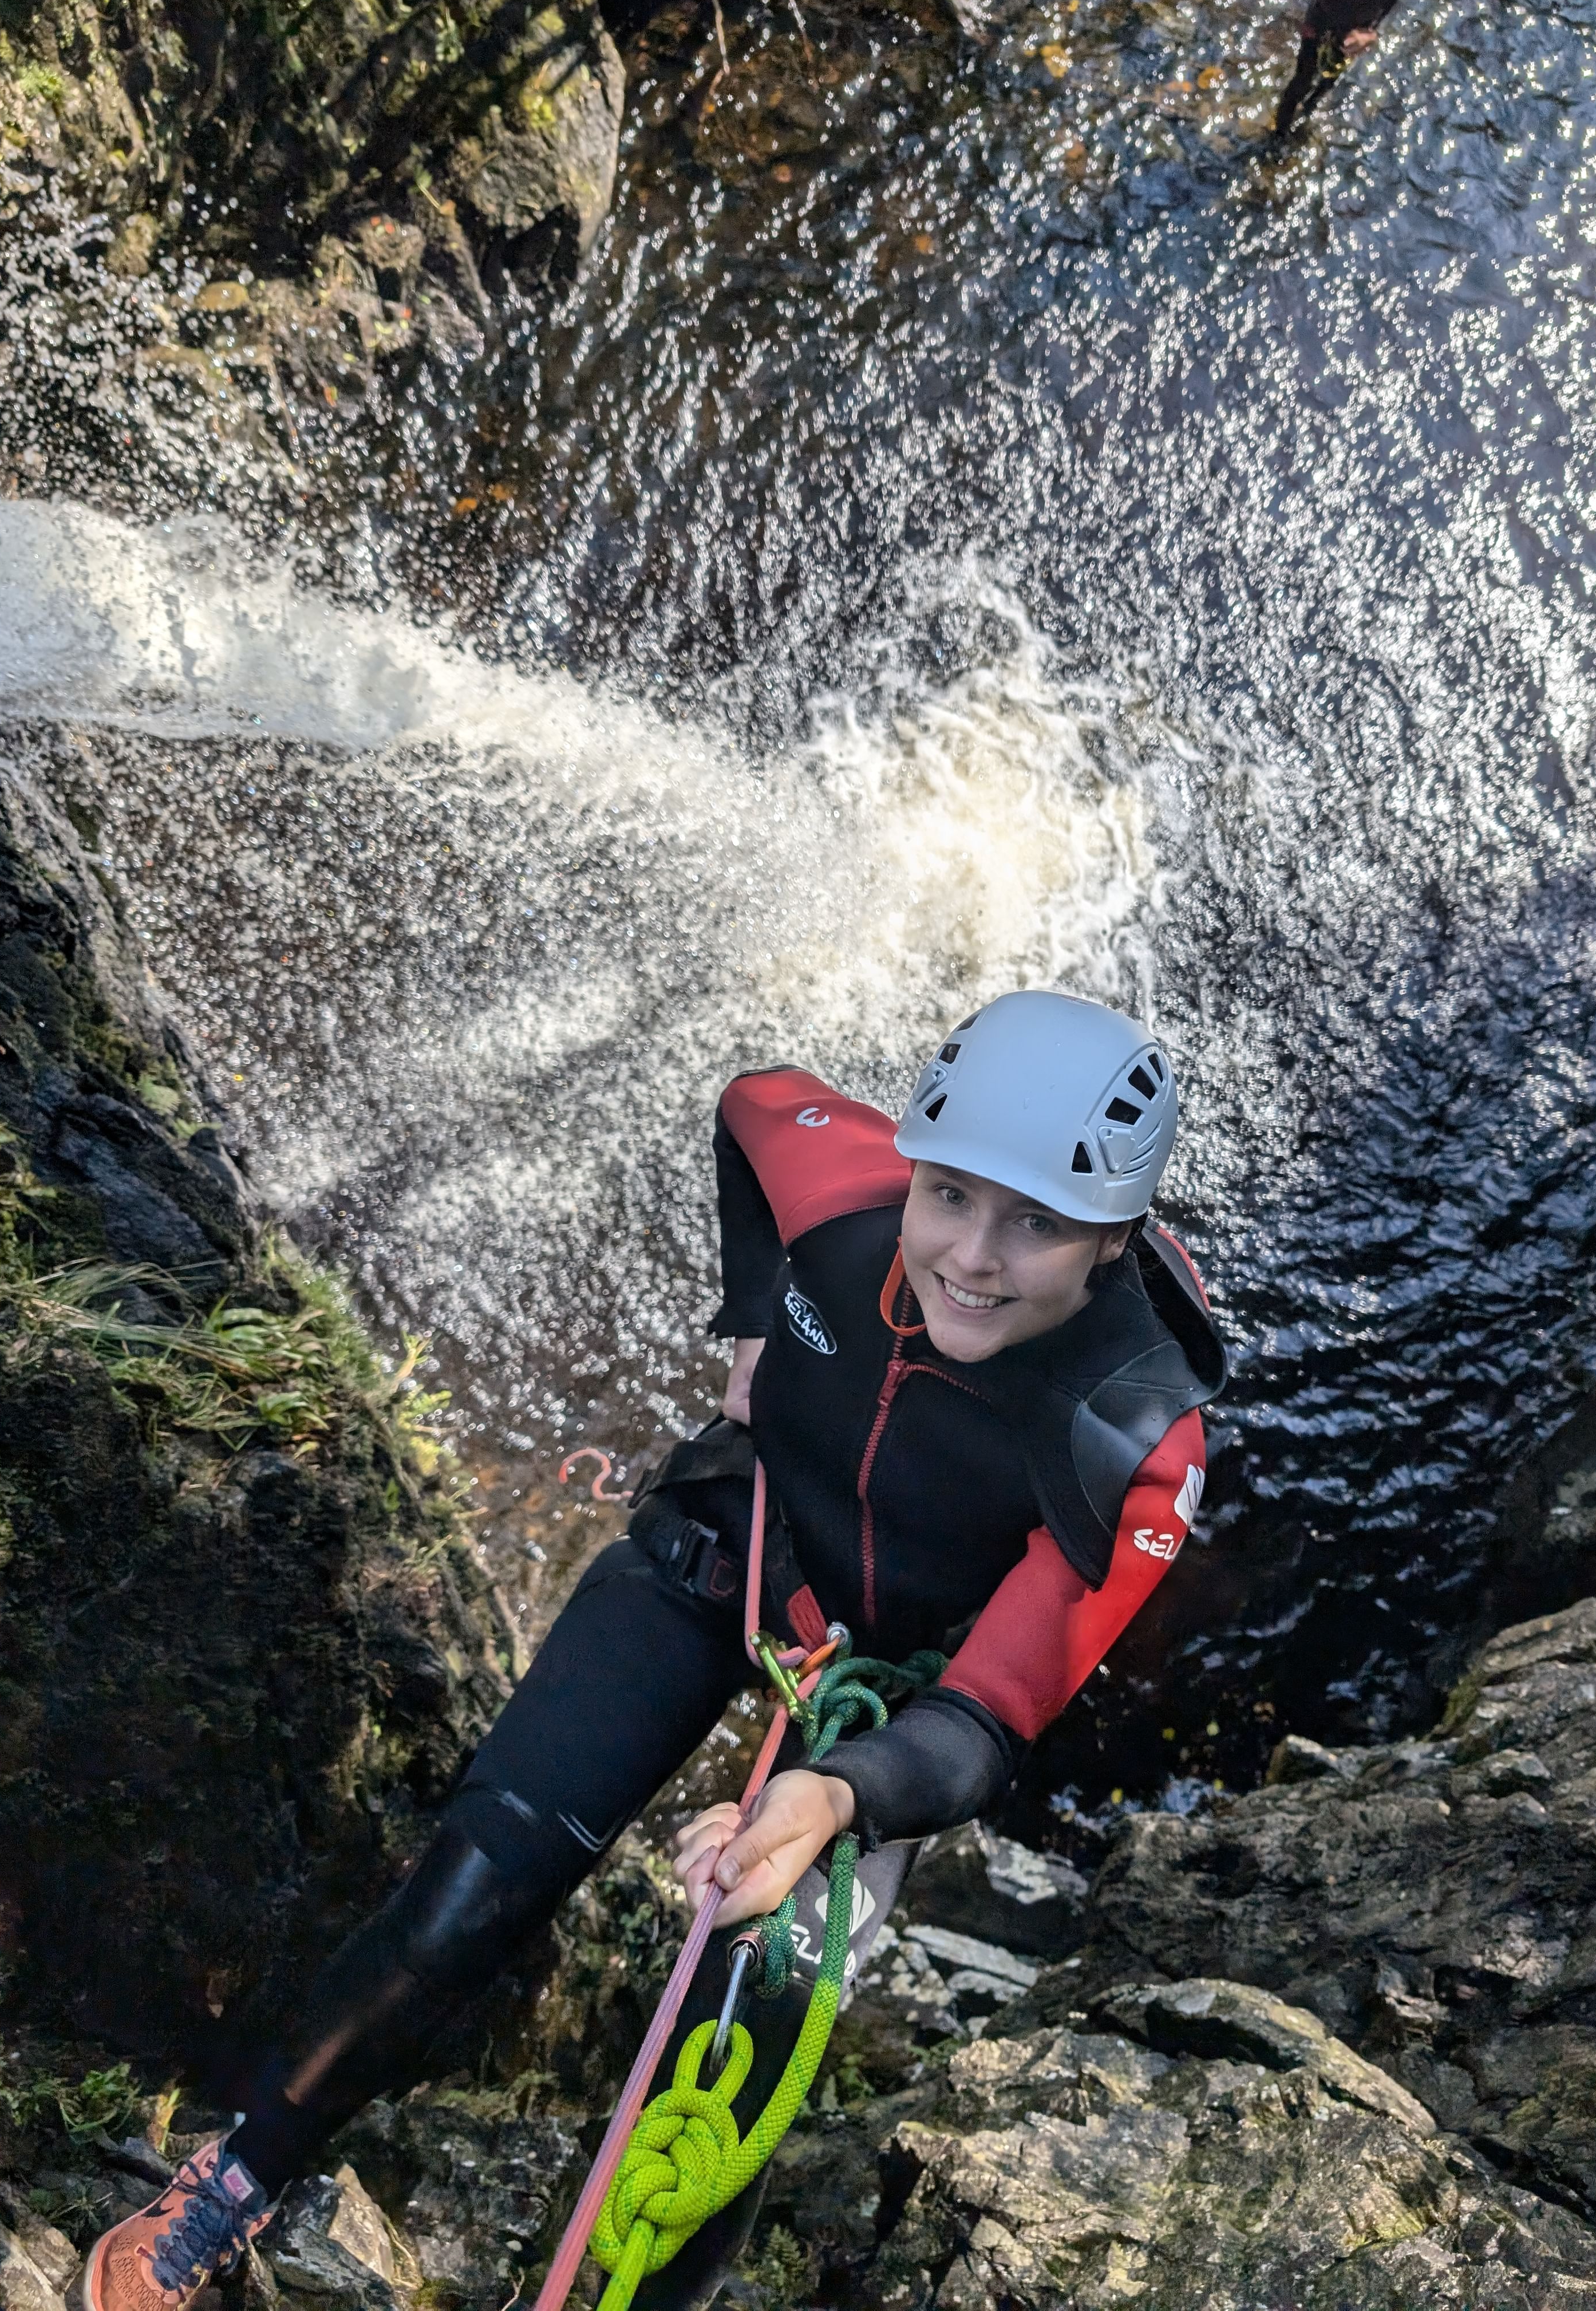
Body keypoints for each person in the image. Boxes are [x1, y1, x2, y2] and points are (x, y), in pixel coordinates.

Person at [85, 989, 1225, 2311]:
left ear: (1111, 1240)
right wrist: (756, 1321)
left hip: (891, 1695)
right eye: (952, 1195)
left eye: (1036, 1222)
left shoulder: (1132, 1433)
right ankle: (237, 2173)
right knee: (474, 1879)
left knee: (752, 2015)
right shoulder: (844, 1192)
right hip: (732, 1547)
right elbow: (753, 1102)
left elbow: (988, 1710)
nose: (969, 1254)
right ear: (912, 1164)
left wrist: (832, 1790)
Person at [1273, 0, 1421, 137]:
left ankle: (1306, 117)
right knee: (1302, 79)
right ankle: (1278, 137)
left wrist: (1372, 35)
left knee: (1329, 80)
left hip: (1357, 31)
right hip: (1323, 20)